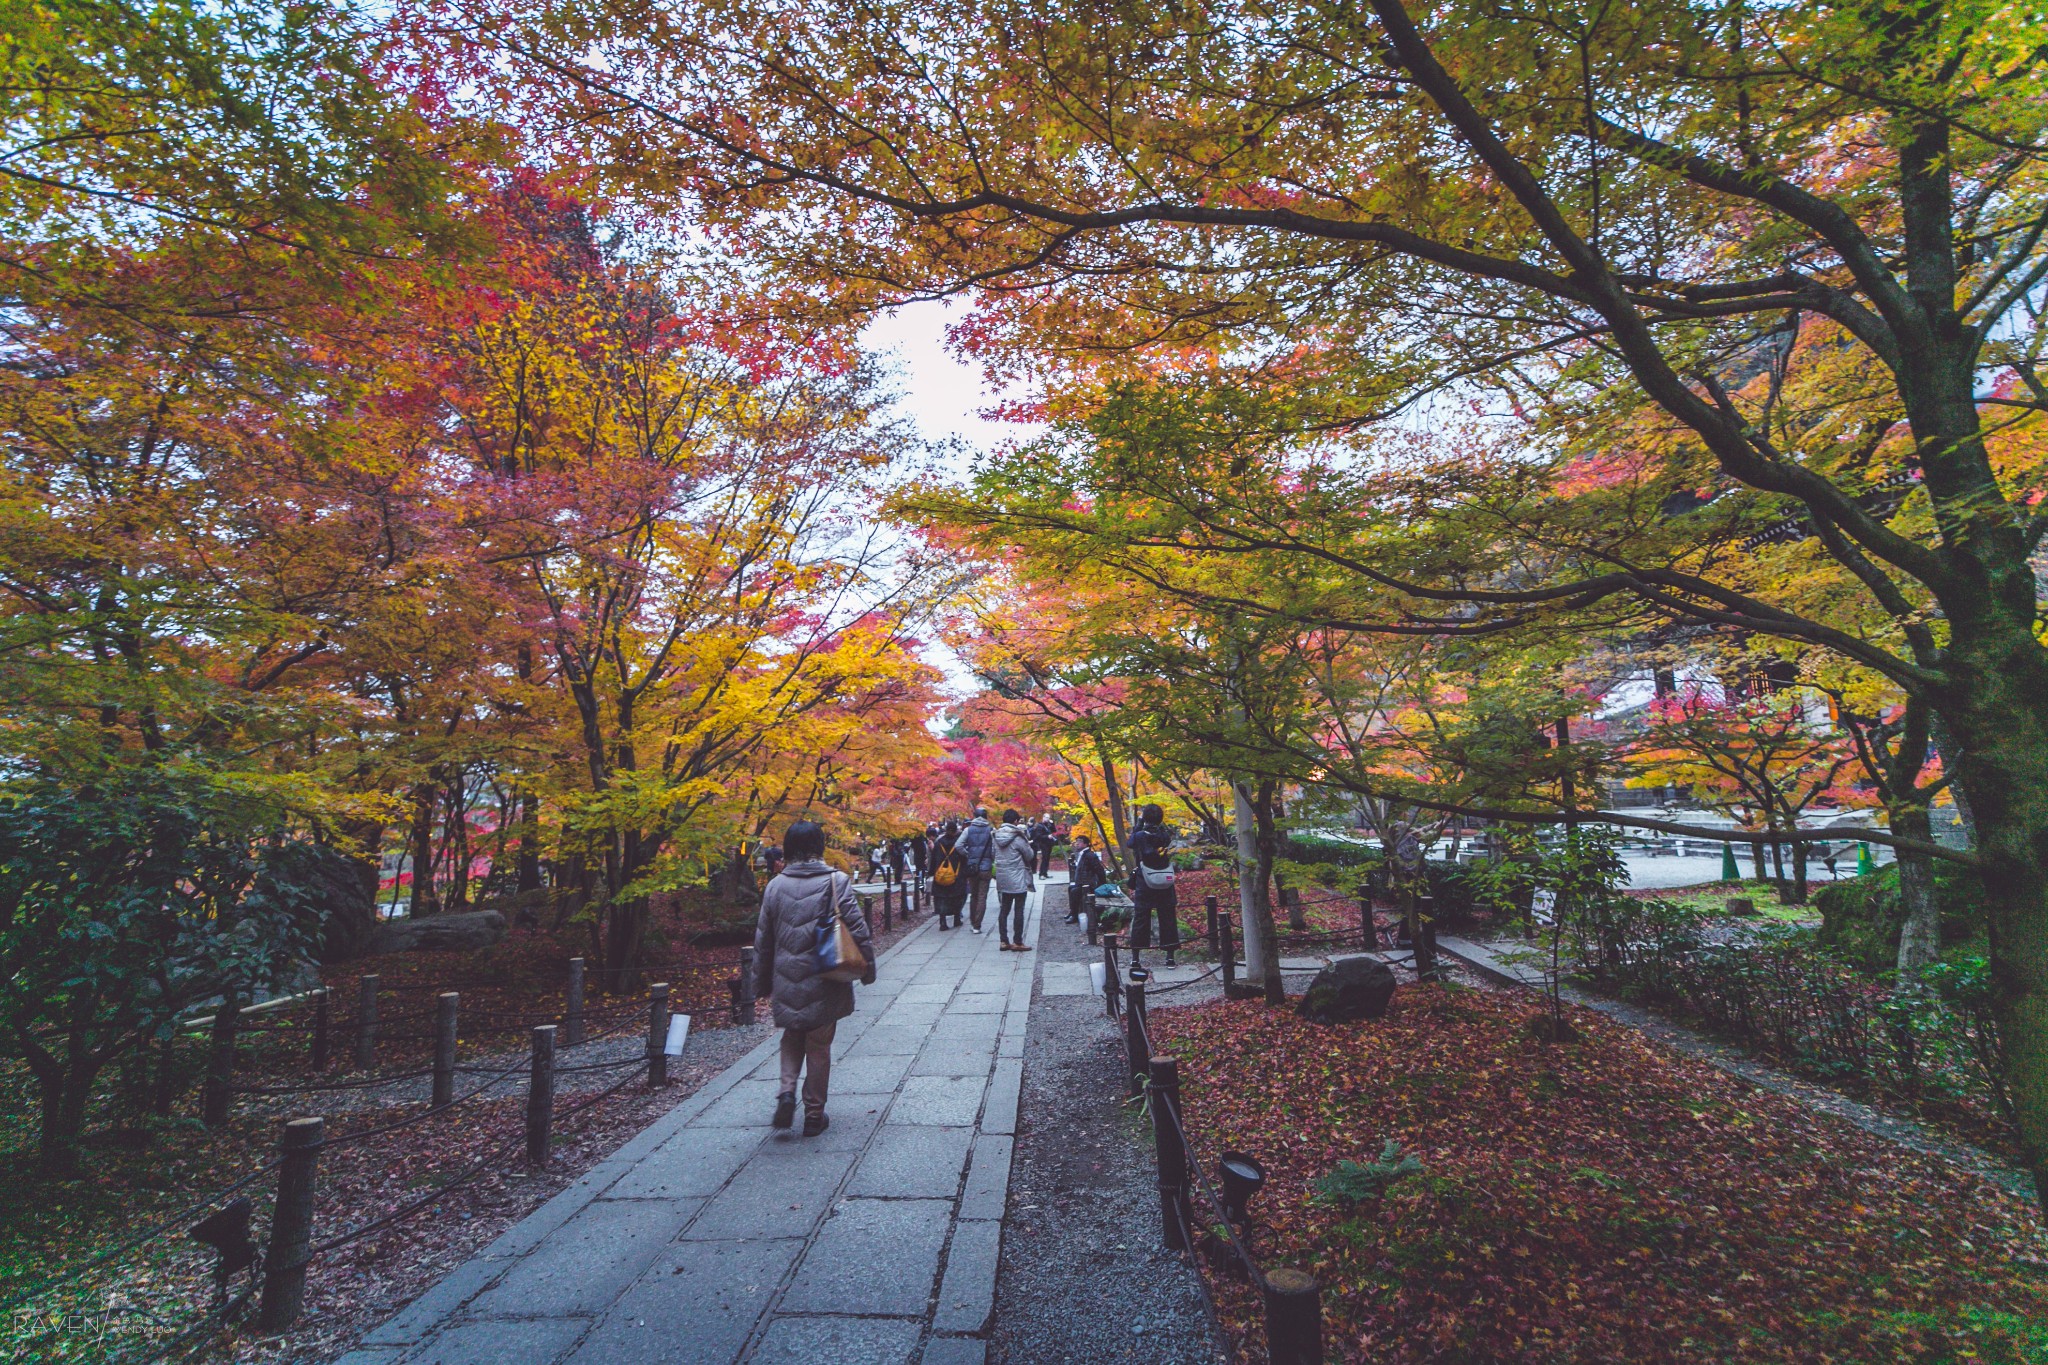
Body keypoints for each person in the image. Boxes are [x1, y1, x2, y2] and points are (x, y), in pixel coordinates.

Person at [754, 819, 875, 1136]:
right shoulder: (836, 882)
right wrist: (868, 967)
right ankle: (813, 1114)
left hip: (786, 978)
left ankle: (786, 1091)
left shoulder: (775, 886)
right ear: (820, 847)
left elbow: (763, 940)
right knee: (819, 1045)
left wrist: (760, 983)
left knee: (792, 1036)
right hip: (825, 978)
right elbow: (858, 929)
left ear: (789, 849)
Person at [1127, 803, 1180, 963]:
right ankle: (1170, 956)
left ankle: (1136, 957)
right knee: (1168, 917)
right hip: (1165, 879)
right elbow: (1167, 837)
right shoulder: (1165, 836)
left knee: (1141, 917)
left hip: (1145, 880)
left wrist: (1139, 823)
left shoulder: (1140, 836)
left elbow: (1130, 843)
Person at [991, 809, 1035, 950]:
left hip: (1003, 876)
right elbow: (1029, 855)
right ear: (1016, 821)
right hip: (1018, 877)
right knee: (1019, 910)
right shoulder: (1018, 837)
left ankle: (1003, 941)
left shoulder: (995, 836)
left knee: (1004, 909)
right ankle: (1017, 942)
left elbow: (993, 854)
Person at [955, 806, 996, 933]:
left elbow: (958, 845)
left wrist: (968, 855)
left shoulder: (968, 830)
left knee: (974, 895)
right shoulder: (991, 830)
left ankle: (973, 922)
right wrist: (990, 859)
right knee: (982, 896)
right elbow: (994, 849)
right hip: (986, 867)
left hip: (972, 867)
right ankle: (977, 925)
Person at [930, 819, 969, 928]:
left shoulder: (938, 843)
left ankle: (943, 921)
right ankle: (957, 919)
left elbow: (933, 860)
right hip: (957, 875)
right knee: (957, 897)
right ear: (955, 830)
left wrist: (931, 872)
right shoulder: (958, 843)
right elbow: (964, 859)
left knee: (942, 898)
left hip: (941, 875)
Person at [1065, 832, 1105, 923]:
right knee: (1071, 888)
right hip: (1081, 883)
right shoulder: (1081, 854)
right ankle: (1072, 911)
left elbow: (1099, 870)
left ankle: (1075, 915)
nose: (1077, 843)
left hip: (1087, 884)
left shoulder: (1090, 855)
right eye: (1077, 841)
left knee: (1074, 891)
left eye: (1080, 841)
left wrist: (1101, 884)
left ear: (1086, 844)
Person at [1029, 814, 1056, 880]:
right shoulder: (1040, 826)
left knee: (1047, 859)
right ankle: (1041, 874)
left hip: (1049, 844)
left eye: (1048, 817)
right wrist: (1047, 836)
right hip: (1043, 844)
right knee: (1044, 858)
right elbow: (1038, 836)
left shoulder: (1049, 825)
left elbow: (1054, 831)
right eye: (1046, 817)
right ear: (1043, 817)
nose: (1047, 819)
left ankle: (1045, 873)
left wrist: (1053, 824)